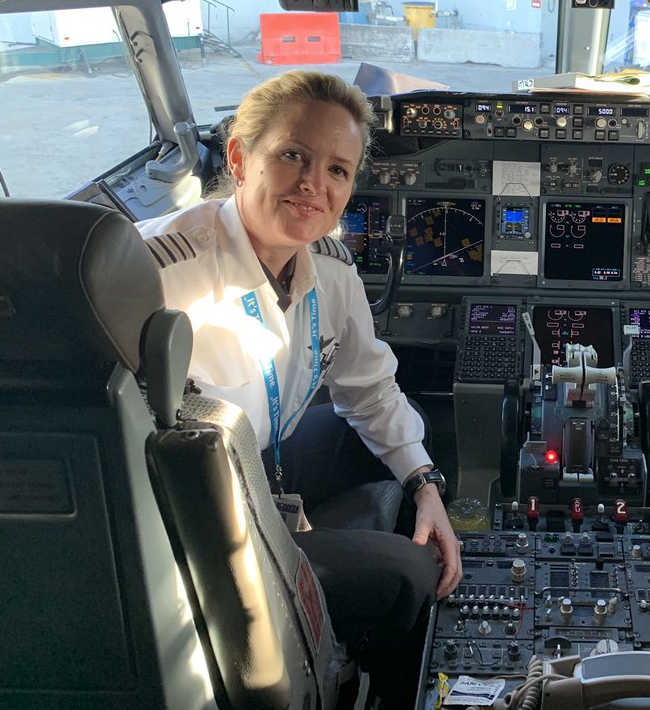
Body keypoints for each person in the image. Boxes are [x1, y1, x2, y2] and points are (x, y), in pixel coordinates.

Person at [136, 70, 461, 700]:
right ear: (238, 156)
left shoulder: (330, 268)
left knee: (393, 424)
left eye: (338, 169)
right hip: (189, 505)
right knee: (411, 572)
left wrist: (427, 487)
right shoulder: (160, 275)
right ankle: (346, 676)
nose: (316, 184)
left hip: (259, 460)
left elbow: (370, 390)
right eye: (293, 156)